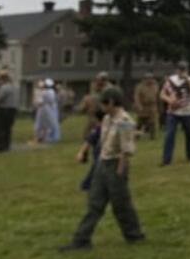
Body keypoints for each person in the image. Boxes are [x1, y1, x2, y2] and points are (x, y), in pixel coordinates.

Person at [60, 86, 145, 250]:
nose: (101, 107)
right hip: (102, 163)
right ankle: (81, 240)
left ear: (112, 102)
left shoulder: (125, 122)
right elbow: (102, 141)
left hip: (116, 165)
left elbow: (126, 149)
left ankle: (134, 235)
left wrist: (120, 171)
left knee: (121, 205)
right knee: (94, 203)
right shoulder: (106, 119)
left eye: (104, 103)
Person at [160, 61, 190, 165]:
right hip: (173, 112)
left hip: (187, 112)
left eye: (184, 70)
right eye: (180, 69)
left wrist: (187, 79)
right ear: (176, 70)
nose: (182, 72)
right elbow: (162, 94)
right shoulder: (170, 80)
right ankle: (166, 159)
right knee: (169, 135)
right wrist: (169, 100)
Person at [0, 71, 19, 152]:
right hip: (12, 109)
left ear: (3, 79)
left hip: (3, 109)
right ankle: (7, 145)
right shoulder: (15, 87)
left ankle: (0, 146)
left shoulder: (3, 88)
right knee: (8, 128)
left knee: (0, 128)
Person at [33, 79, 61, 143]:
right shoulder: (51, 92)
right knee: (49, 123)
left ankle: (41, 137)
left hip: (43, 109)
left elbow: (40, 102)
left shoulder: (44, 92)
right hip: (50, 109)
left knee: (40, 124)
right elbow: (52, 101)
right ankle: (46, 137)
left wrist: (36, 103)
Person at [133, 74, 159, 139]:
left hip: (152, 107)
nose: (150, 80)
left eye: (151, 78)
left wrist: (159, 106)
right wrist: (139, 106)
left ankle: (152, 136)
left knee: (152, 122)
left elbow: (158, 96)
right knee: (140, 122)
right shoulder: (140, 86)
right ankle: (136, 135)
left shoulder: (155, 86)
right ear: (145, 79)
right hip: (143, 106)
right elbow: (136, 97)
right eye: (148, 78)